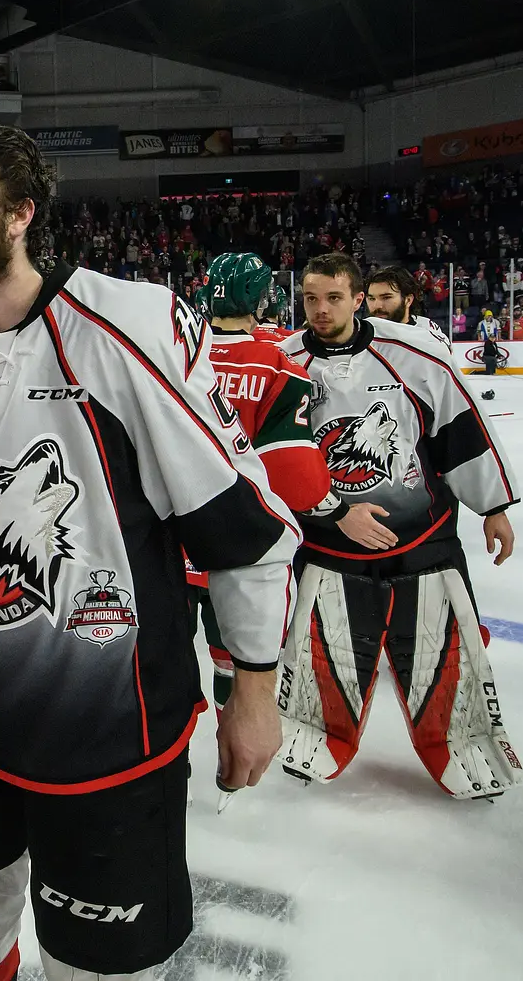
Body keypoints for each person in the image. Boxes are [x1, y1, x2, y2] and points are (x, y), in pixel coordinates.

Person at [0, 121, 299, 981]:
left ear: (18, 214)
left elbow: (240, 531)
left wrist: (254, 694)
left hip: (115, 741)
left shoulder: (125, 331)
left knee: (102, 966)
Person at [280, 253, 523, 799]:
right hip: (329, 536)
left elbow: (461, 430)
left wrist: (494, 508)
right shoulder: (286, 360)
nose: (320, 310)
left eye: (334, 298)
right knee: (326, 647)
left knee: (442, 644)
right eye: (311, 298)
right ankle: (318, 730)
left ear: (358, 298)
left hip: (423, 535)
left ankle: (461, 740)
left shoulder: (413, 354)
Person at [189, 254, 393, 706]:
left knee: (164, 659)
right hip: (240, 545)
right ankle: (234, 744)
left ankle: (171, 759)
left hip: (165, 546)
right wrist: (338, 510)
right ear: (260, 297)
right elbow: (293, 475)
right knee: (236, 660)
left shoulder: (170, 355)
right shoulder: (275, 364)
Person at [365, 265, 448, 346]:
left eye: (386, 298)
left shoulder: (429, 334)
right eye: (372, 298)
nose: (377, 306)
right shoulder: (361, 339)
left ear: (408, 300)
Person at [476, 308, 501, 374]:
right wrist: (479, 339)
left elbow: (498, 331)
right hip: (488, 356)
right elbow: (479, 332)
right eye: (488, 316)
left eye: (490, 316)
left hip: (491, 357)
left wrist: (498, 354)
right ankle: (478, 372)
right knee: (489, 368)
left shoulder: (496, 322)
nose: (489, 317)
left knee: (491, 367)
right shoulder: (481, 323)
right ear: (485, 316)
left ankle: (492, 371)